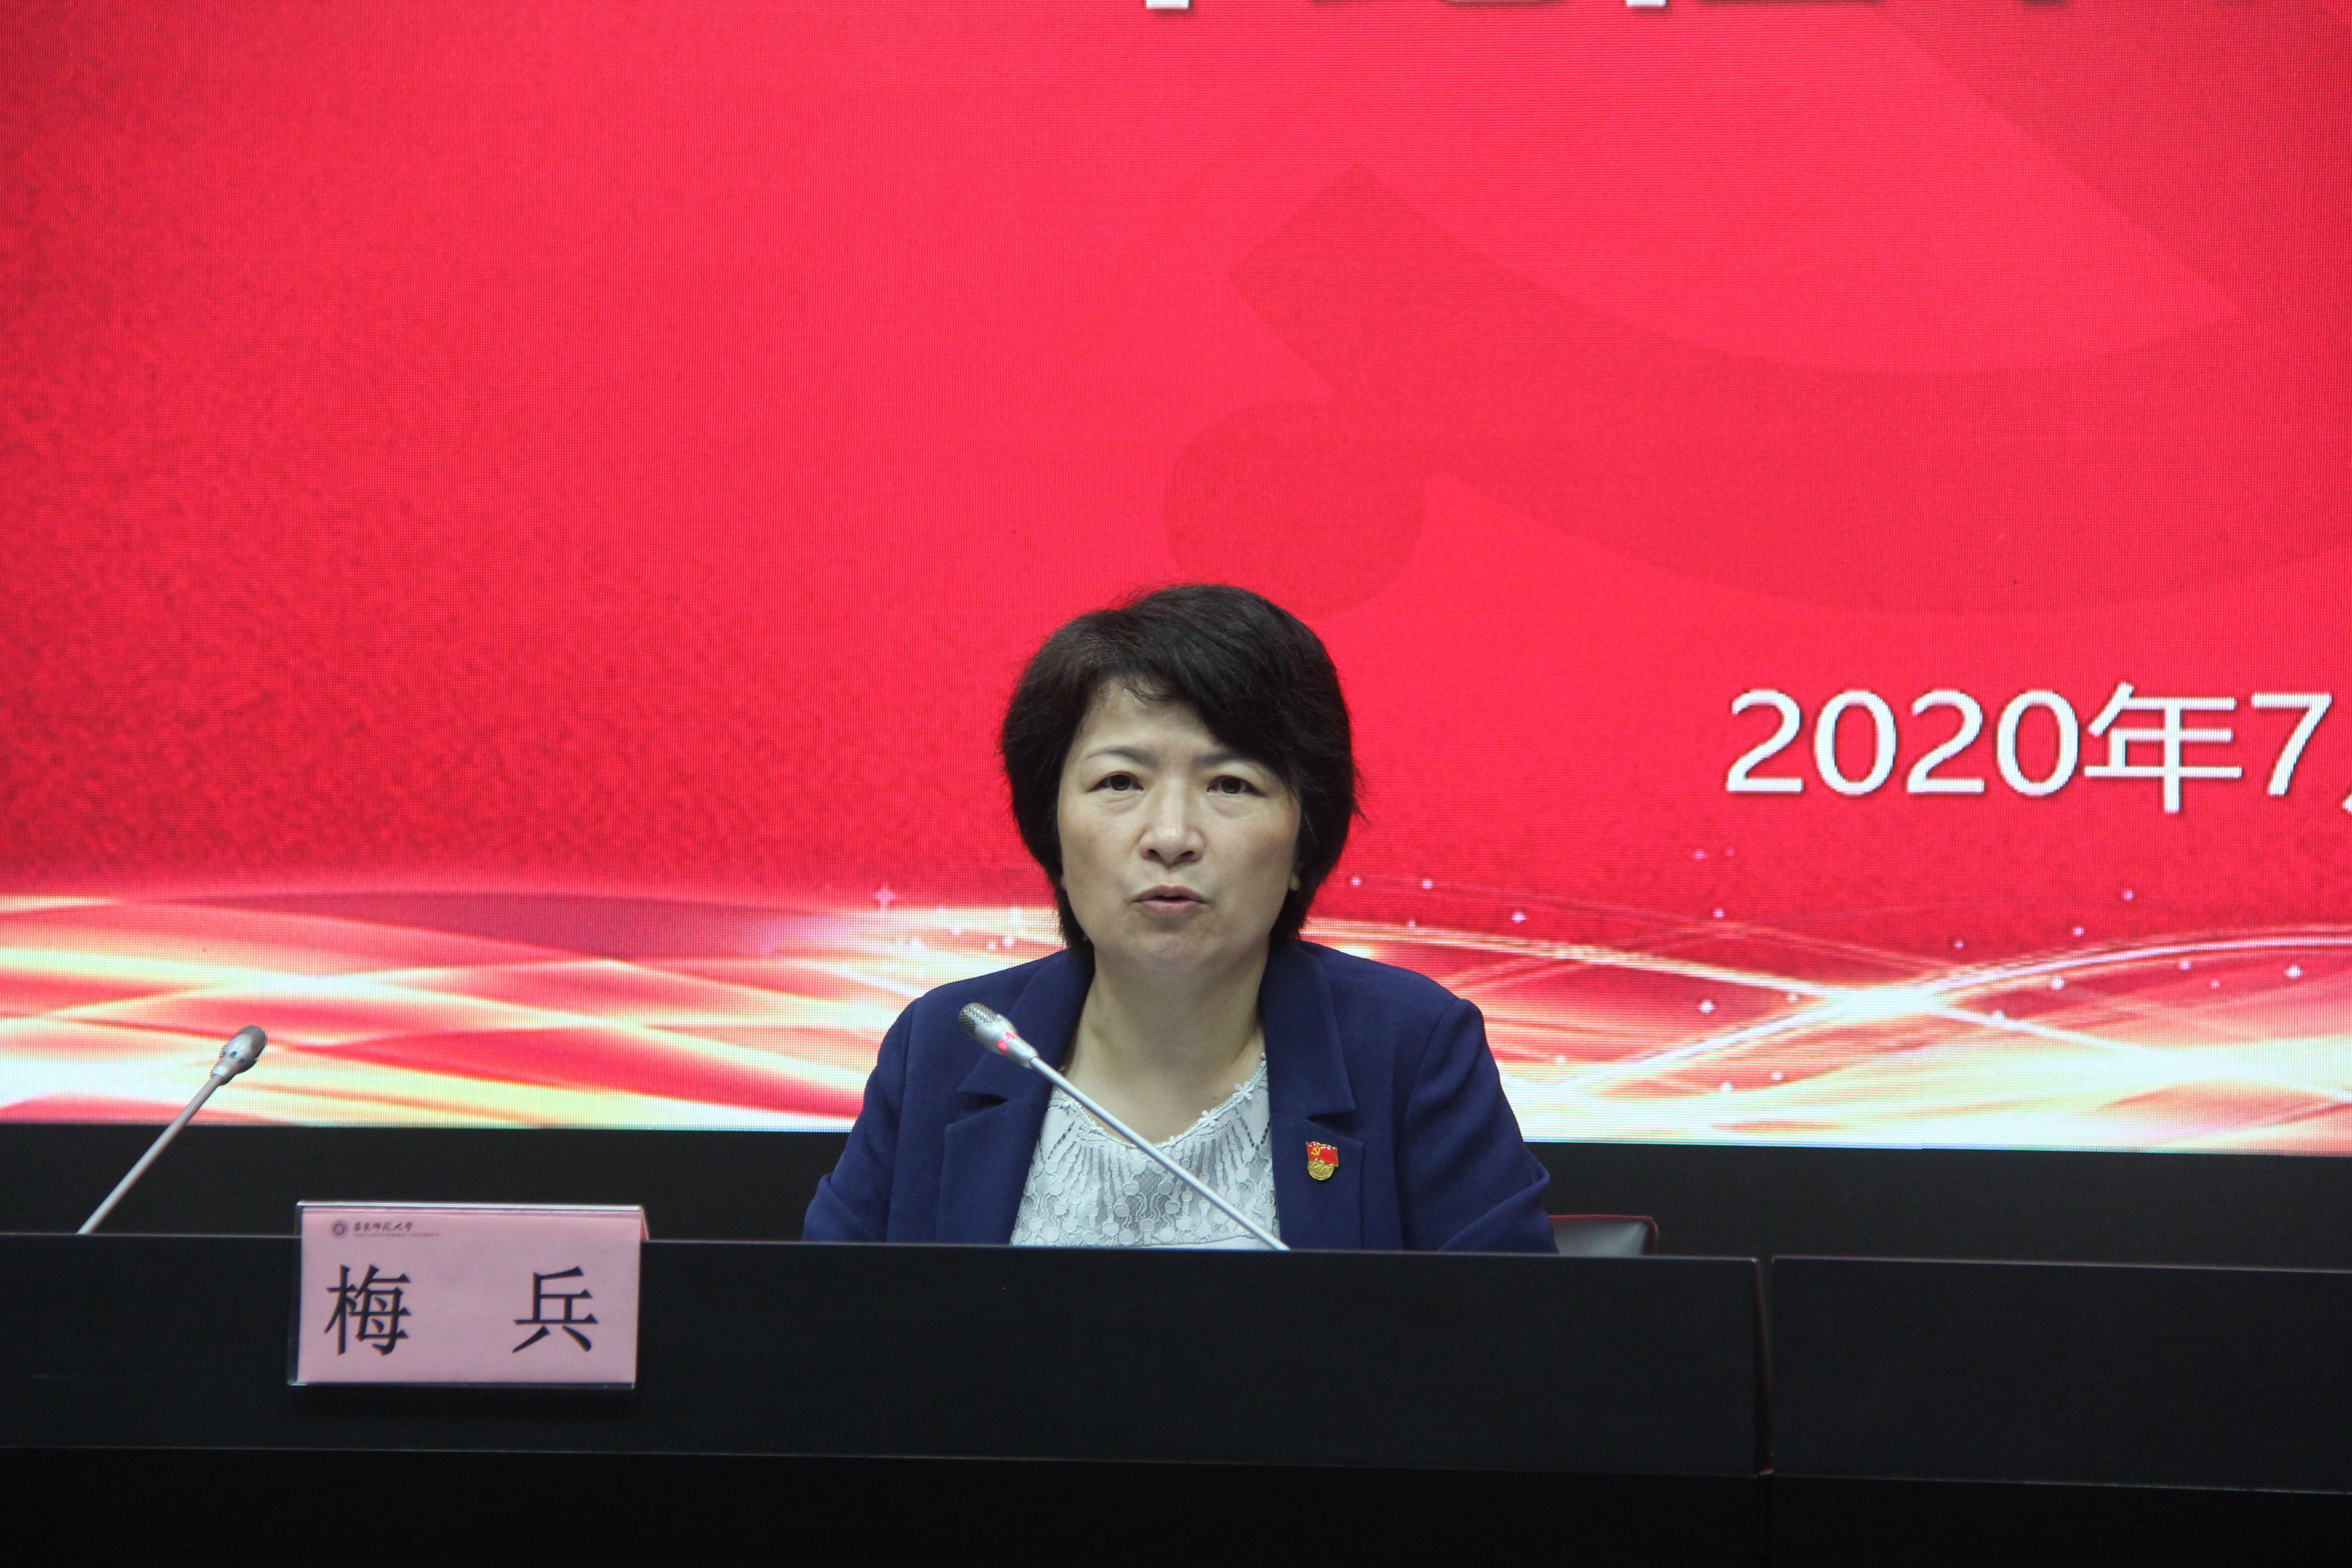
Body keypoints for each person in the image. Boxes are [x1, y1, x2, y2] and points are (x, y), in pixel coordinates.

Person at [804, 584, 1553, 1251]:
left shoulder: (1410, 1052)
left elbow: (1513, 1346)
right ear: (1053, 834)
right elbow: (824, 1335)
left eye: (1230, 785)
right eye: (1120, 782)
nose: (1170, 836)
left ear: (1303, 844)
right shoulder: (946, 1048)